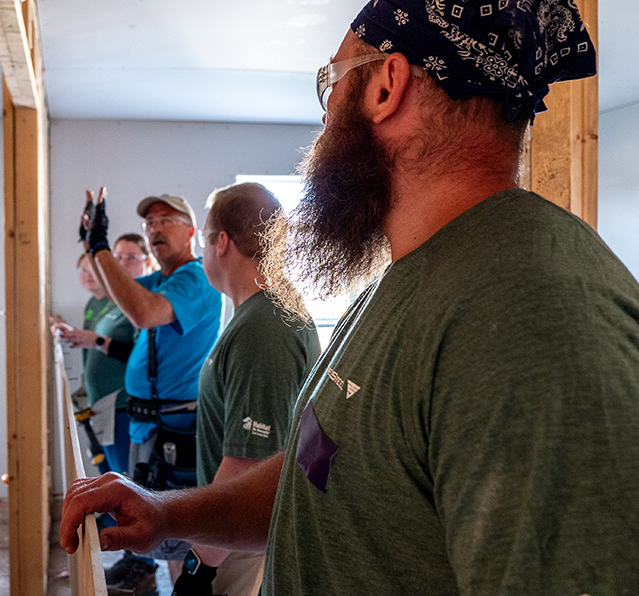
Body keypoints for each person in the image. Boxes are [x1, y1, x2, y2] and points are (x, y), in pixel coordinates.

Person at [61, 1, 639, 595]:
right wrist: (169, 514)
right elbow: (322, 470)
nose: (325, 112)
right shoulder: (408, 276)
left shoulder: (533, 316)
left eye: (329, 82)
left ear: (387, 87)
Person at [169, 182, 321, 596]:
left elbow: (249, 462)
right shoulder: (256, 313)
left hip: (241, 545)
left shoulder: (264, 325)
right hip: (232, 536)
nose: (202, 253)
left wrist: (199, 566)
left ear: (221, 242)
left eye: (203, 239)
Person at [84, 190, 222, 594]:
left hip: (176, 426)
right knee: (159, 532)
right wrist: (91, 242)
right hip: (152, 426)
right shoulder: (162, 278)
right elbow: (116, 290)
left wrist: (99, 245)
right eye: (149, 223)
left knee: (178, 535)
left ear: (191, 231)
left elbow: (143, 313)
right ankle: (149, 577)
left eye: (166, 221)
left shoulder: (194, 278)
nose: (155, 229)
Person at [51, 252, 139, 474]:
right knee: (107, 469)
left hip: (120, 401)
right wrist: (66, 328)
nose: (87, 275)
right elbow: (91, 339)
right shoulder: (93, 303)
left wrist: (98, 341)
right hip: (98, 401)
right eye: (82, 270)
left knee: (123, 474)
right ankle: (109, 510)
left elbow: (134, 353)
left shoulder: (124, 304)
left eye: (92, 269)